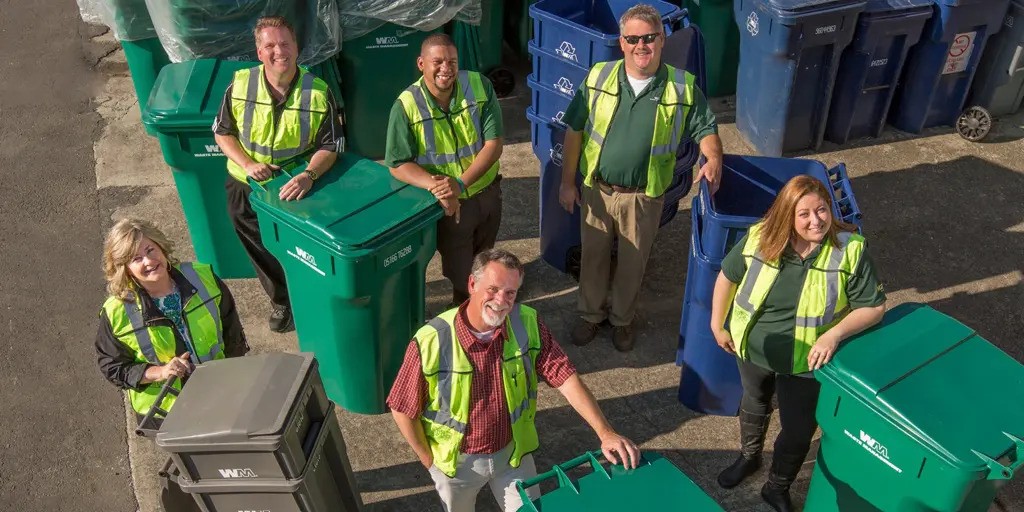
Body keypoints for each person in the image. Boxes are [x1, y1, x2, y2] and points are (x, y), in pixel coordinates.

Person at [387, 249, 640, 512]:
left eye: (511, 293)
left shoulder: (526, 322)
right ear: (472, 285)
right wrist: (428, 460)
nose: (501, 301)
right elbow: (402, 407)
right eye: (493, 289)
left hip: (513, 456)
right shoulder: (432, 339)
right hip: (456, 466)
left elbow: (565, 376)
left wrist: (605, 432)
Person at [709, 176, 886, 512]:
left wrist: (833, 335)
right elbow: (727, 277)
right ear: (786, 215)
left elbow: (874, 307)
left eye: (821, 210)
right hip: (754, 349)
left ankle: (777, 487)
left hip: (807, 363)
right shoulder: (760, 237)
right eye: (803, 214)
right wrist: (718, 325)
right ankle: (749, 458)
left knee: (799, 430)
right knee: (754, 400)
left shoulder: (849, 250)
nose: (816, 220)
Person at [559, 4, 724, 352]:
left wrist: (713, 157)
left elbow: (706, 127)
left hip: (643, 196)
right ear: (622, 42)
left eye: (649, 38)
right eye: (633, 39)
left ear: (662, 39)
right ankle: (590, 315)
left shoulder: (682, 86)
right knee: (593, 258)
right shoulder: (599, 76)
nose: (641, 46)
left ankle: (621, 320)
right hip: (597, 191)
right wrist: (566, 182)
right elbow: (574, 129)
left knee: (634, 264)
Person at [213, 15, 345, 332]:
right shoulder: (241, 84)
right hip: (248, 187)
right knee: (260, 248)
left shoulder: (318, 90)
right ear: (259, 53)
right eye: (269, 45)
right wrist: (247, 164)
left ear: (297, 48)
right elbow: (222, 132)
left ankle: (309, 297)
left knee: (302, 250)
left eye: (285, 43)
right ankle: (282, 300)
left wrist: (309, 175)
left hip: (295, 188)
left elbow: (333, 144)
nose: (278, 51)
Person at [385, 33, 504, 307]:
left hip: (487, 193)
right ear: (421, 64)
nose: (446, 68)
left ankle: (483, 304)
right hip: (450, 207)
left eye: (452, 61)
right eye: (437, 61)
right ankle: (464, 308)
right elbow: (397, 164)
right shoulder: (406, 106)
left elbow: (494, 144)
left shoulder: (479, 86)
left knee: (486, 258)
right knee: (462, 272)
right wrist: (438, 187)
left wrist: (459, 184)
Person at [95, 218, 249, 426]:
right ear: (125, 268)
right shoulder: (116, 312)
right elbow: (113, 367)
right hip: (169, 413)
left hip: (220, 392)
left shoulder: (203, 277)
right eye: (136, 259)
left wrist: (236, 378)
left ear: (161, 247)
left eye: (150, 250)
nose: (148, 261)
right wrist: (159, 372)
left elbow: (232, 331)